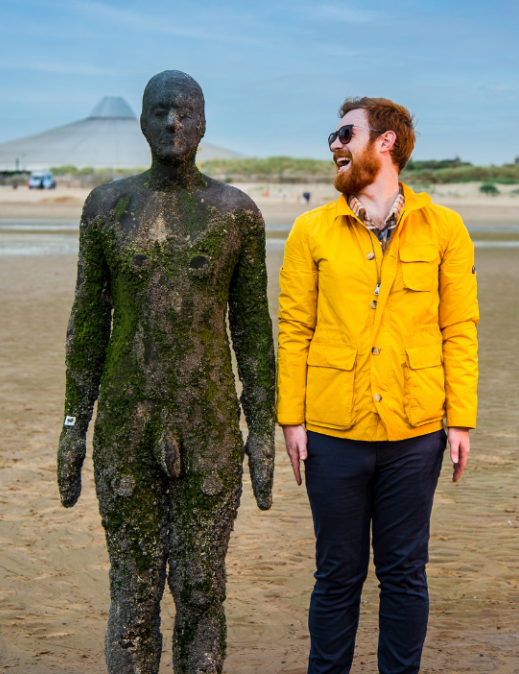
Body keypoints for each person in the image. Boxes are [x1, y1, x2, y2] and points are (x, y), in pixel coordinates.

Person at [57, 70, 276, 674]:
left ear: (204, 122)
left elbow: (253, 332)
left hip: (209, 430)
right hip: (126, 430)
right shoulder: (107, 207)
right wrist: (74, 425)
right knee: (133, 593)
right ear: (142, 121)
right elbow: (86, 325)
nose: (172, 124)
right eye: (159, 112)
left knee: (202, 588)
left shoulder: (235, 214)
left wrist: (262, 431)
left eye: (183, 113)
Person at [277, 97, 479, 674]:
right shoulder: (311, 230)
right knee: (336, 575)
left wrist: (460, 419)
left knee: (405, 575)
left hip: (416, 434)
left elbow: (458, 328)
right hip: (332, 432)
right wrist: (290, 417)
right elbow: (294, 329)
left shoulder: (444, 229)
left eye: (345, 133)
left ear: (385, 142)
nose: (334, 144)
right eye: (333, 136)